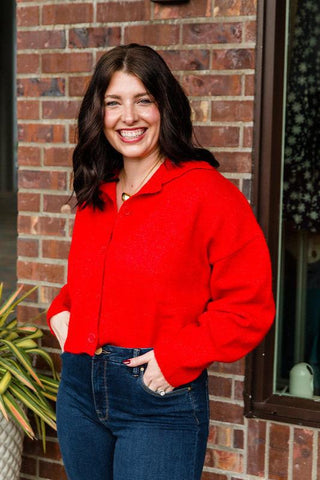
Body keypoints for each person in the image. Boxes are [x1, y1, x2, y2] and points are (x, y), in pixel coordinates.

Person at [47, 44, 275, 480]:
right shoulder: (97, 192)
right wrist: (61, 311)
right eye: (114, 102)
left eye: (143, 101)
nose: (128, 117)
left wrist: (175, 358)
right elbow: (94, 279)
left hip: (156, 401)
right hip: (78, 393)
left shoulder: (208, 195)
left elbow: (249, 306)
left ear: (164, 106)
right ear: (100, 114)